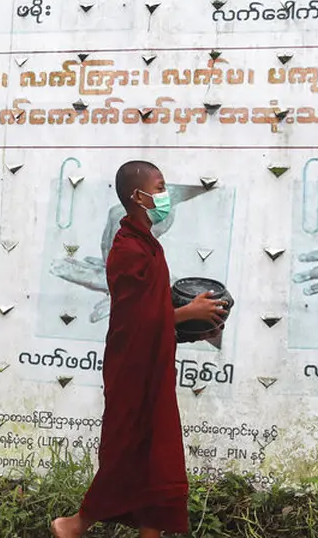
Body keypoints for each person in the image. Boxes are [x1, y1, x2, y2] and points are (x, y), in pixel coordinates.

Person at [51, 161, 228, 538]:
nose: (166, 196)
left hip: (154, 366)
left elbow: (155, 311)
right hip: (132, 369)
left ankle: (148, 532)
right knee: (127, 452)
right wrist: (186, 312)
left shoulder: (149, 245)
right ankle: (74, 524)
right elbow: (136, 320)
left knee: (158, 458)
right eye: (160, 187)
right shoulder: (128, 249)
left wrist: (192, 325)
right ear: (139, 196)